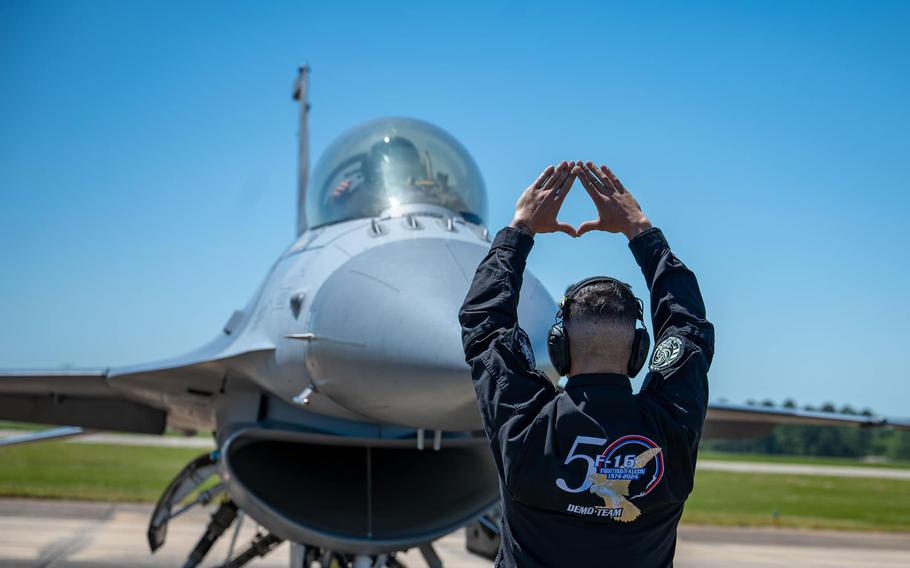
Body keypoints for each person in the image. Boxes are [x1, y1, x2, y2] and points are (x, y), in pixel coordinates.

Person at [458, 160, 714, 567]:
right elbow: (688, 328)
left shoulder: (526, 426)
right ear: (638, 351)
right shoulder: (671, 430)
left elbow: (484, 324)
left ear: (559, 349)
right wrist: (639, 228)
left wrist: (519, 229)